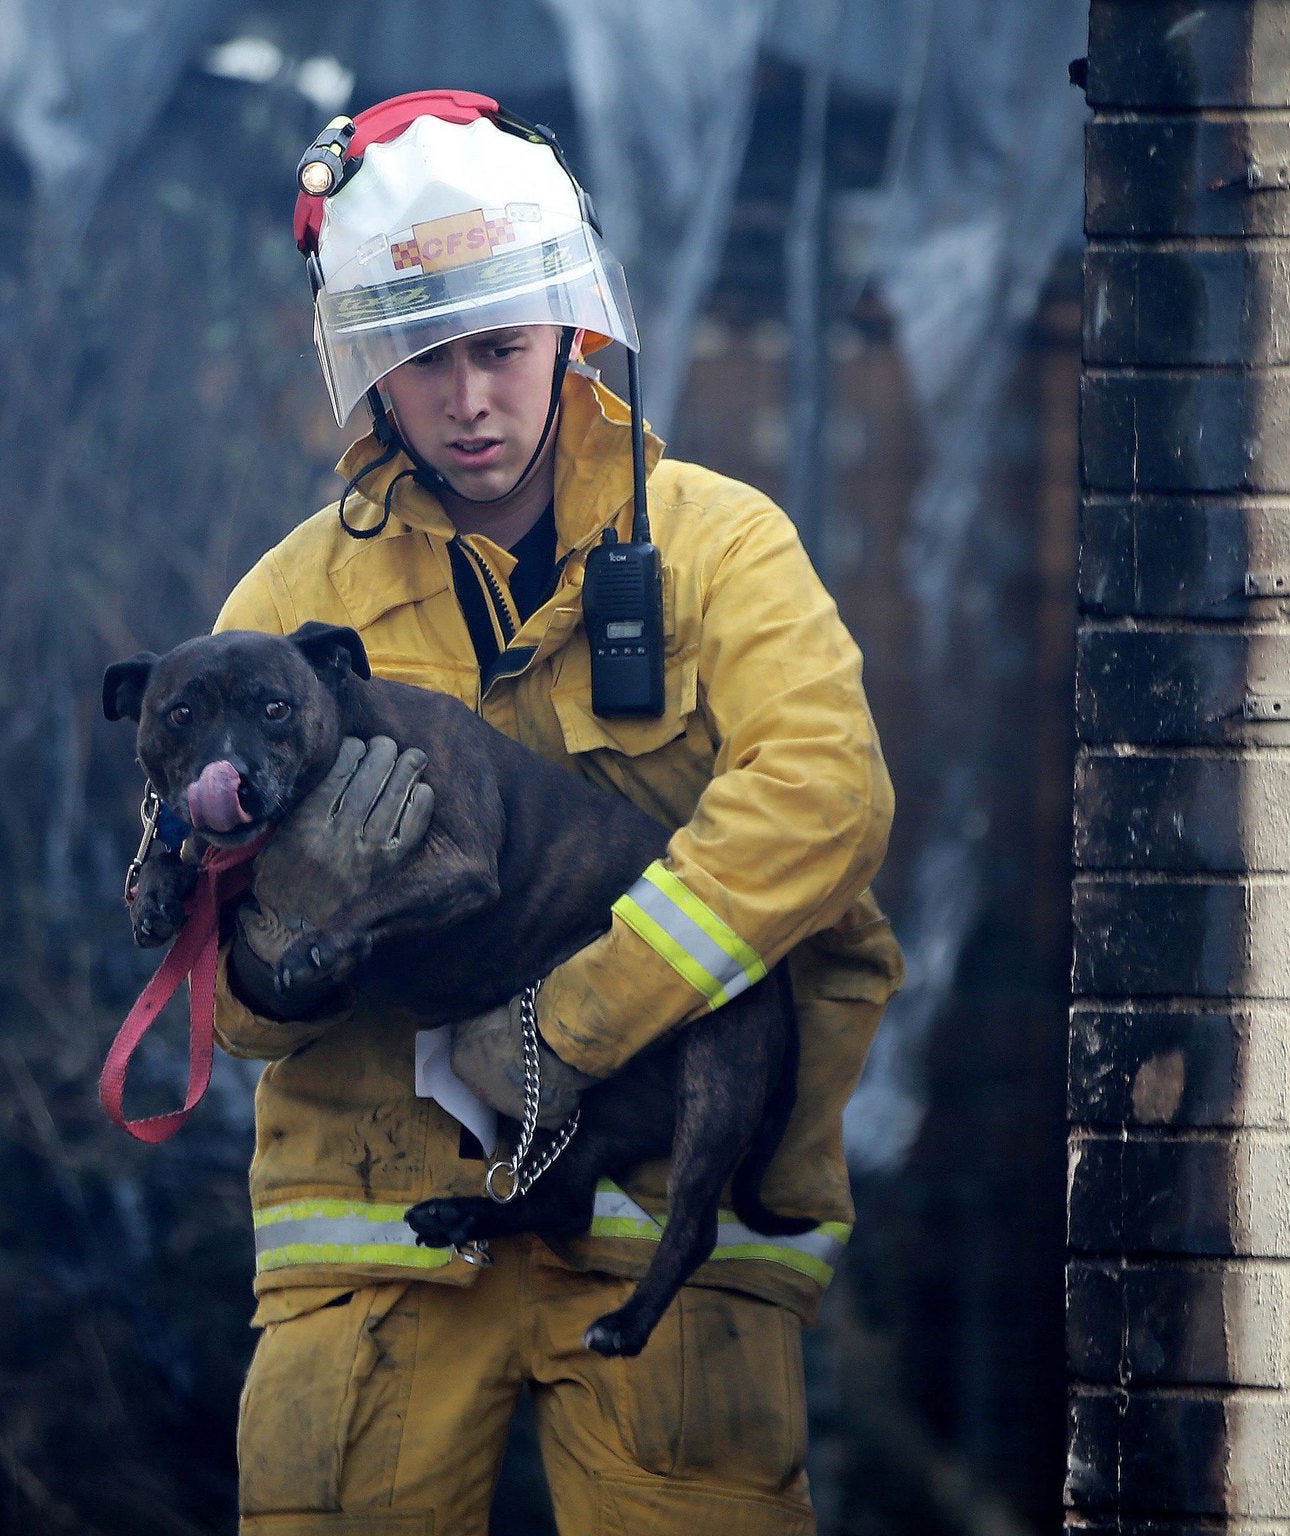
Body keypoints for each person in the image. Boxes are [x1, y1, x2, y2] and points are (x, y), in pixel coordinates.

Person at [207, 90, 903, 1535]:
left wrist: (571, 1031)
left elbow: (827, 801)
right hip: (380, 1255)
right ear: (367, 372)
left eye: (500, 351)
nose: (469, 400)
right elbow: (231, 1017)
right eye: (422, 358)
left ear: (569, 331)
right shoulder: (287, 614)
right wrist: (291, 924)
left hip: (663, 1232)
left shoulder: (717, 550)